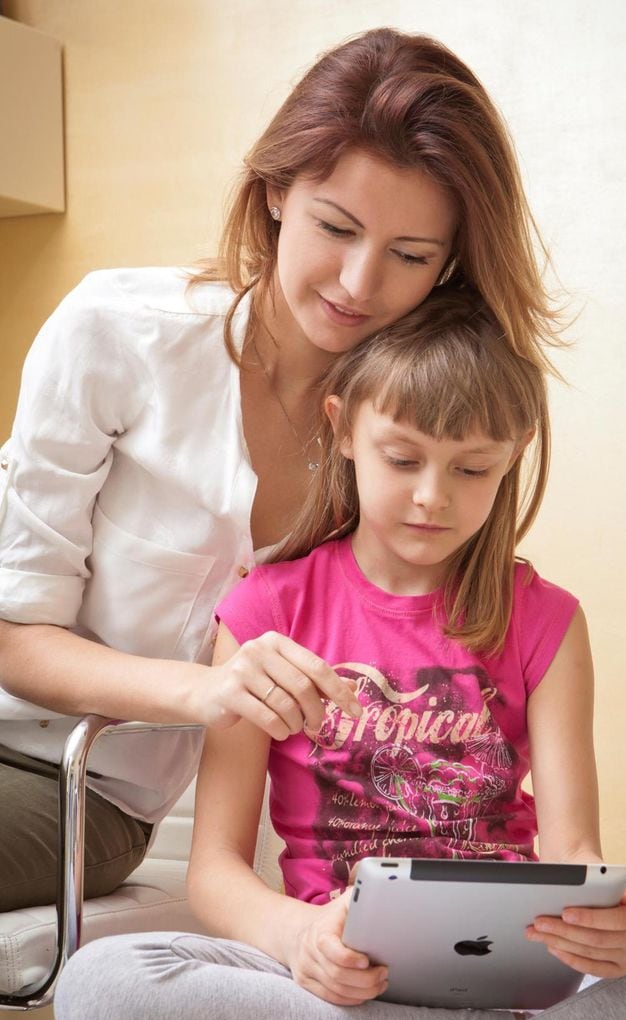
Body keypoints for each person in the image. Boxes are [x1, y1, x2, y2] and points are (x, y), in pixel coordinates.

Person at [54, 291, 626, 1020]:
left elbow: (573, 854)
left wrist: (610, 927)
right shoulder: (263, 611)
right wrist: (298, 937)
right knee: (101, 989)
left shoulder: (547, 618)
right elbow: (214, 872)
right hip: (333, 985)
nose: (431, 499)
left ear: (513, 457)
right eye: (402, 458)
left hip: (514, 970)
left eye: (473, 469)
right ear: (342, 426)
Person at [0, 27, 561, 911]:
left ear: (450, 265)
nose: (357, 282)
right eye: (334, 227)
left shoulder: (405, 441)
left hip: (81, 789)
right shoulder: (114, 333)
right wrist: (211, 687)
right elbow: (13, 635)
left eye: (410, 256)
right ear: (272, 193)